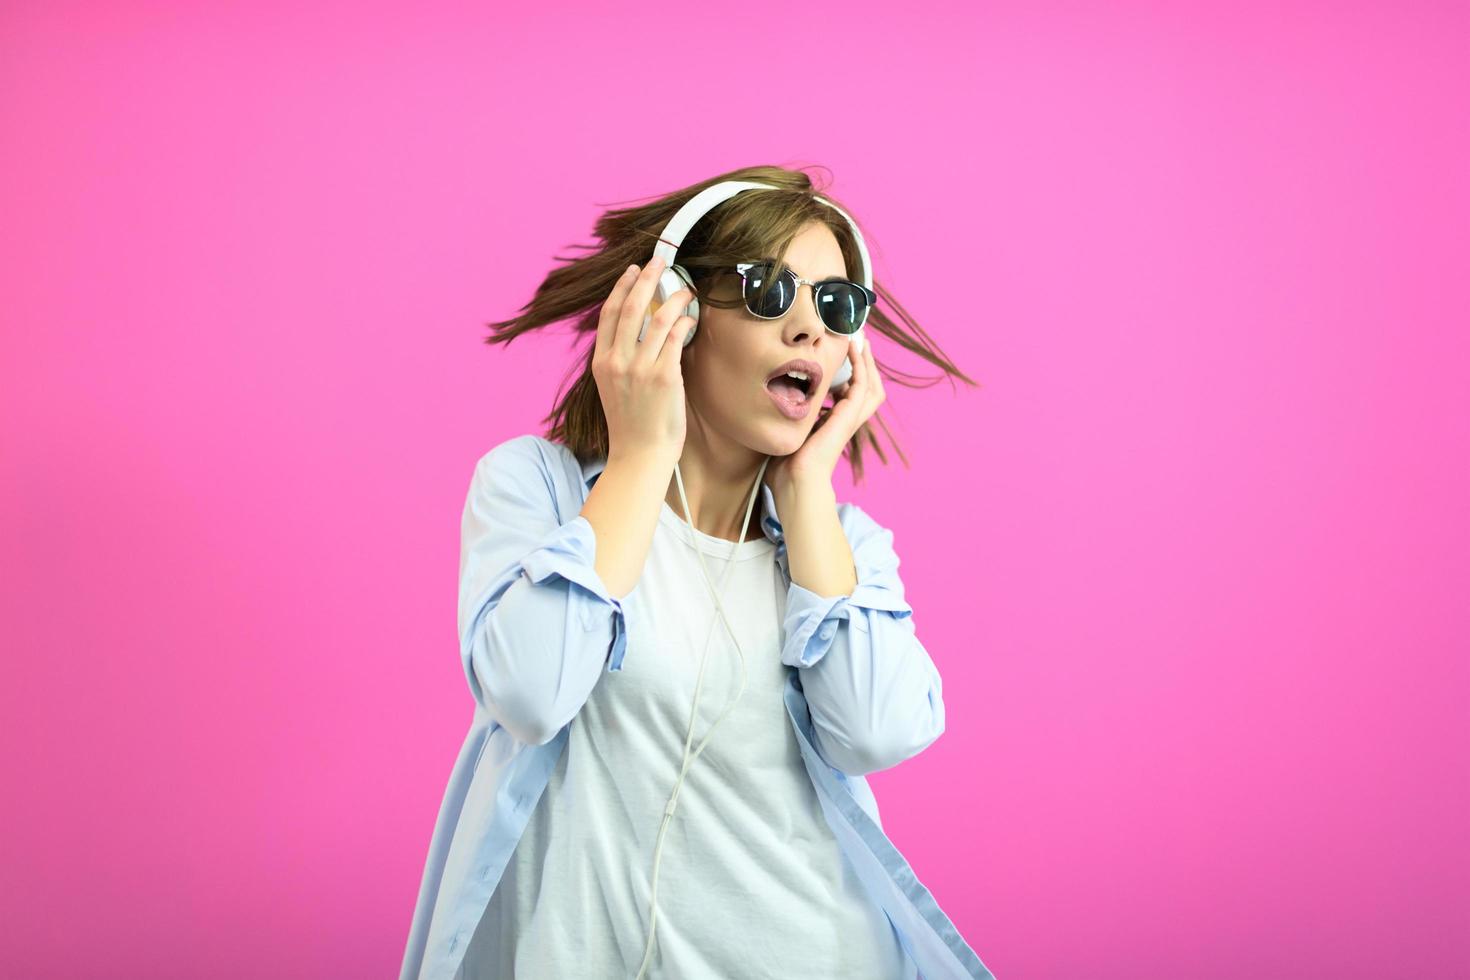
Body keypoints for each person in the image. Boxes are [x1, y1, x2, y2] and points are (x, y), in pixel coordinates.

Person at [399, 165, 996, 980]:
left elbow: (876, 731)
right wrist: (643, 451)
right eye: (769, 291)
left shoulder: (845, 548)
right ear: (675, 312)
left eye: (835, 306)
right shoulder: (538, 492)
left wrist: (809, 487)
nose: (810, 332)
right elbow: (532, 694)